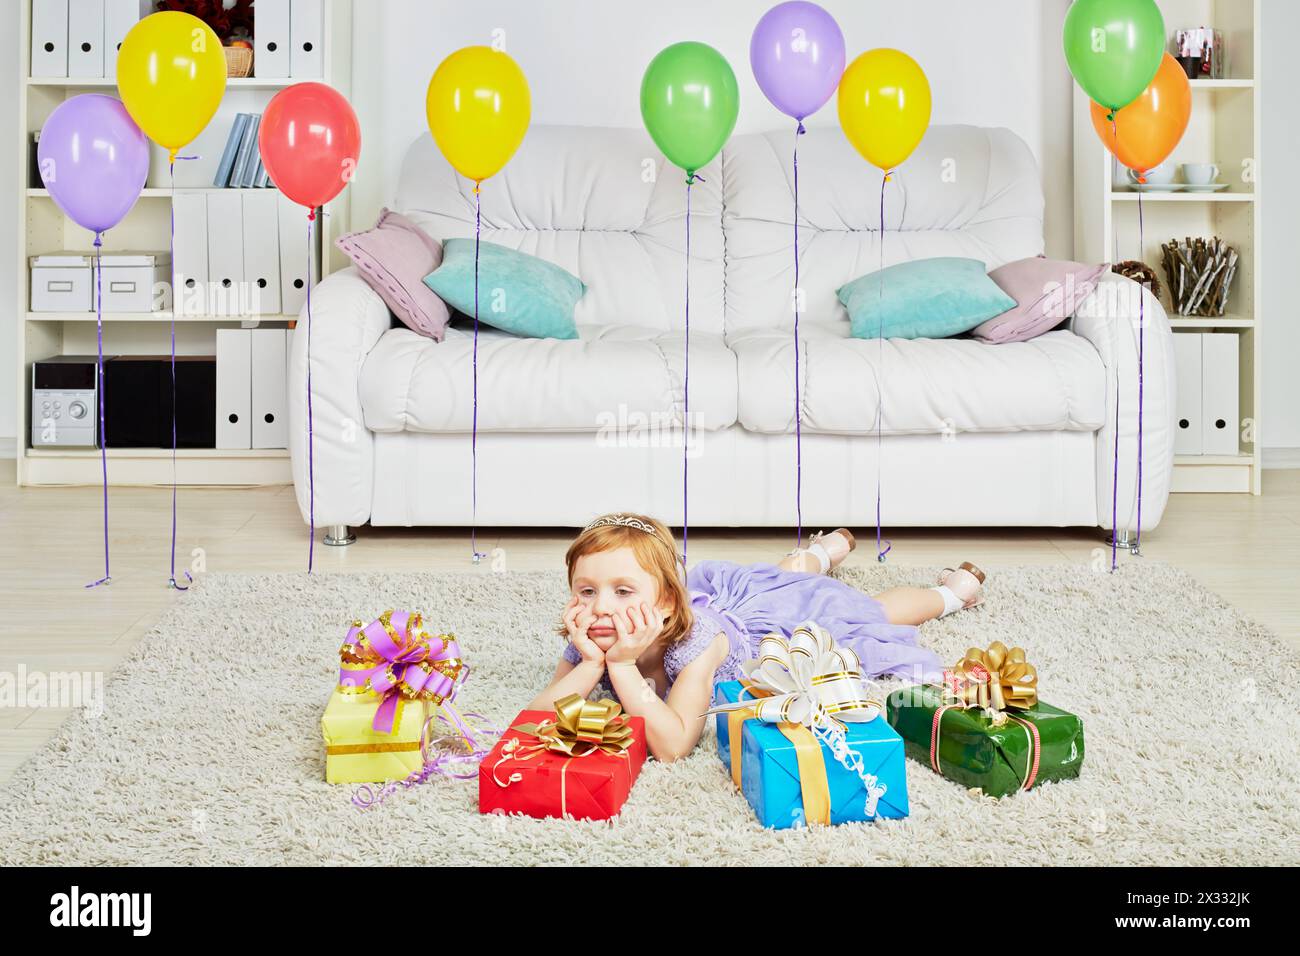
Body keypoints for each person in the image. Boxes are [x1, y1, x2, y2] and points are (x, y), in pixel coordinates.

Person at [528, 512, 985, 762]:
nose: (601, 606)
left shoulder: (693, 646)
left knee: (855, 615)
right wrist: (590, 664)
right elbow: (532, 722)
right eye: (586, 591)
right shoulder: (593, 635)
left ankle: (947, 594)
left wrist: (622, 668)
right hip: (721, 600)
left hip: (763, 634)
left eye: (622, 591)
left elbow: (672, 745)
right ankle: (815, 554)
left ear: (667, 601)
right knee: (773, 578)